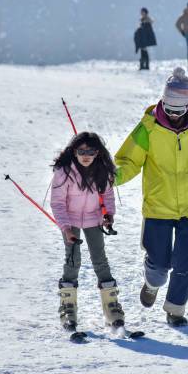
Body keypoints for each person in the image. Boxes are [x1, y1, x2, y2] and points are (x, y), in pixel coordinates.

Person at [114, 67, 188, 327]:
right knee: (159, 262)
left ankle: (176, 310)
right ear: (162, 103)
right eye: (169, 110)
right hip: (158, 206)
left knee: (185, 262)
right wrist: (114, 176)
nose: (174, 116)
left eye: (179, 111)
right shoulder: (149, 128)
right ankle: (152, 283)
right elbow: (128, 160)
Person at [50, 132, 124, 331]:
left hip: (93, 219)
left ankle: (112, 307)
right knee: (73, 259)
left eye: (90, 151)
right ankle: (67, 307)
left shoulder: (103, 171)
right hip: (70, 220)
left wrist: (108, 214)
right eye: (81, 151)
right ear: (74, 152)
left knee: (100, 259)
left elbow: (107, 195)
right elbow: (57, 203)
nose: (86, 155)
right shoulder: (64, 172)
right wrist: (65, 228)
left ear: (97, 153)